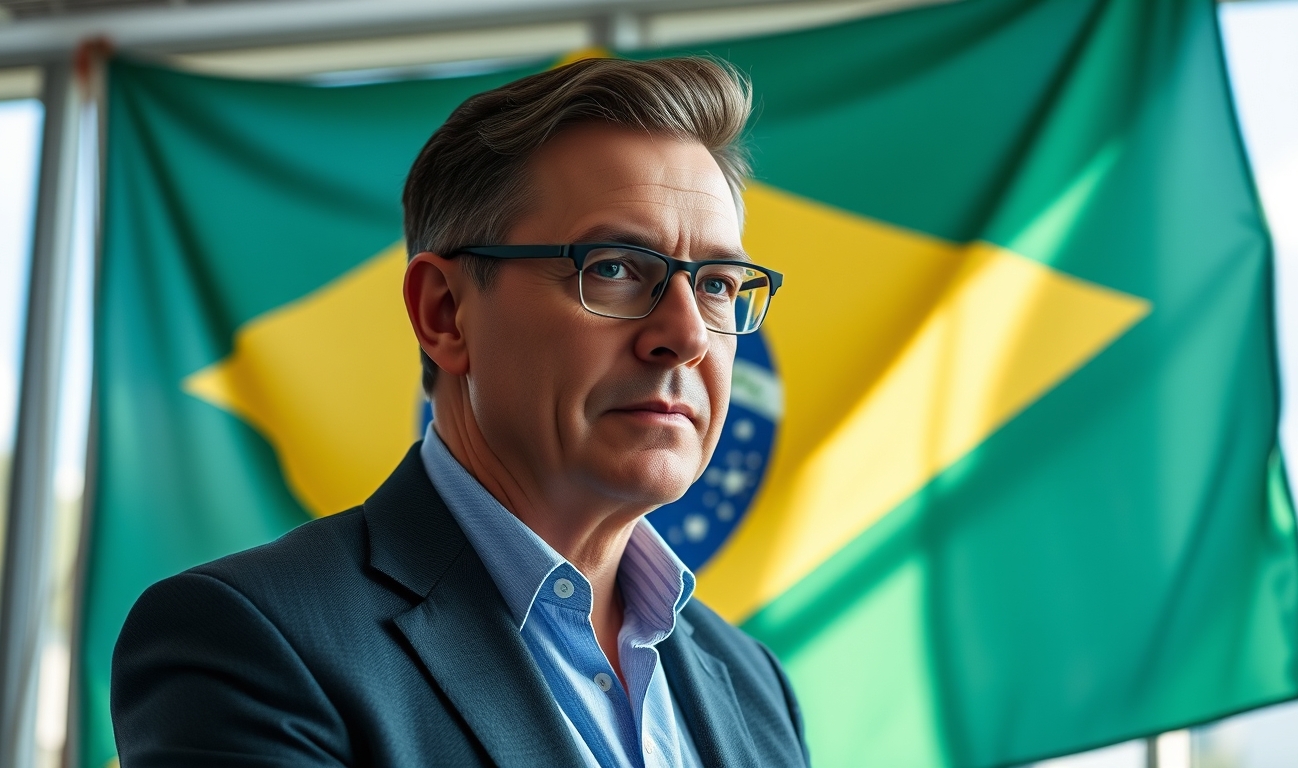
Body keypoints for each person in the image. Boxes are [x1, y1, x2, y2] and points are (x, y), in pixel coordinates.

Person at [111, 56, 807, 768]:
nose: (689, 335)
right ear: (444, 314)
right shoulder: (249, 642)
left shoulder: (756, 687)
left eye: (718, 284)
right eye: (614, 268)